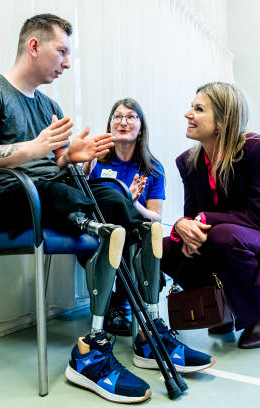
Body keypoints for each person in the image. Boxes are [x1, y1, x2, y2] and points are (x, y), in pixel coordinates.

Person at [0, 14, 213, 403]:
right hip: (7, 197)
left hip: (49, 191)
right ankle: (90, 352)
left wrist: (70, 158)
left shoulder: (49, 105)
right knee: (84, 202)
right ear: (35, 47)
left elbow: (54, 167)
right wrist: (36, 149)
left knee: (110, 194)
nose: (67, 63)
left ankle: (150, 331)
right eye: (62, 51)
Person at [162, 82, 260, 349]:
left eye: (198, 109)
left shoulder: (256, 149)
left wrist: (205, 220)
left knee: (224, 236)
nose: (188, 114)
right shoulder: (187, 161)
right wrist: (182, 226)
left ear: (223, 120)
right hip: (224, 234)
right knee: (167, 248)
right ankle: (222, 307)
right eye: (191, 107)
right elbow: (192, 215)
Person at [86, 98, 166, 336]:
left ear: (141, 129)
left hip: (134, 234)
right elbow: (86, 203)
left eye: (130, 117)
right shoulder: (96, 162)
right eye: (117, 116)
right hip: (101, 232)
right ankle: (117, 304)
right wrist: (85, 171)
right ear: (110, 125)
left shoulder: (153, 169)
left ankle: (123, 301)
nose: (123, 122)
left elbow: (156, 218)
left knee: (136, 231)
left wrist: (132, 204)